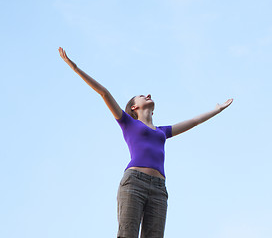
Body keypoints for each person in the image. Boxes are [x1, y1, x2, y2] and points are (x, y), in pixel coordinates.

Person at [58, 47, 233, 238]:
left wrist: (217, 110)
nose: (148, 95)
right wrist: (75, 68)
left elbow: (194, 122)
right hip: (134, 183)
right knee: (127, 235)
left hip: (159, 189)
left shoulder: (162, 132)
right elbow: (104, 93)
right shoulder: (128, 123)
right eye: (142, 96)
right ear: (134, 107)